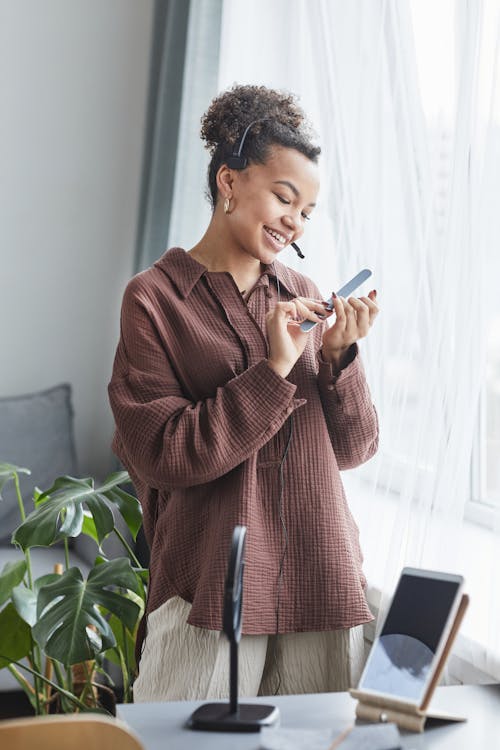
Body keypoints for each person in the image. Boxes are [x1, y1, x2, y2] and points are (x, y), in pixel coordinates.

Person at [108, 84, 379, 702]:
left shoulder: (303, 292)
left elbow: (355, 449)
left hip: (320, 570)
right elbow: (167, 454)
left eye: (307, 211)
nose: (295, 220)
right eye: (284, 197)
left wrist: (339, 358)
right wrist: (273, 369)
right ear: (229, 181)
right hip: (209, 585)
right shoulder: (154, 299)